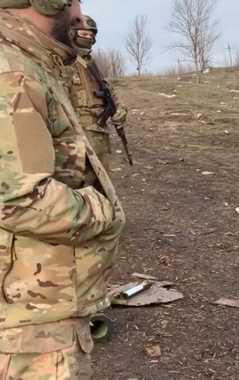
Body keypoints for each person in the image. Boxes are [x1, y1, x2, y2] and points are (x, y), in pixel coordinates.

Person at [0, 1, 125, 378]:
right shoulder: (14, 75)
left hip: (37, 309)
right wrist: (105, 210)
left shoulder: (34, 66)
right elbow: (18, 199)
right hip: (30, 327)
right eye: (74, 2)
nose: (78, 14)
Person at [68, 14, 129, 173]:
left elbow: (107, 89)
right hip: (73, 133)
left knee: (100, 178)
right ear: (72, 33)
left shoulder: (91, 63)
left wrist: (119, 109)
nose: (88, 38)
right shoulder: (64, 61)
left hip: (98, 131)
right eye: (83, 34)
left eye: (91, 35)